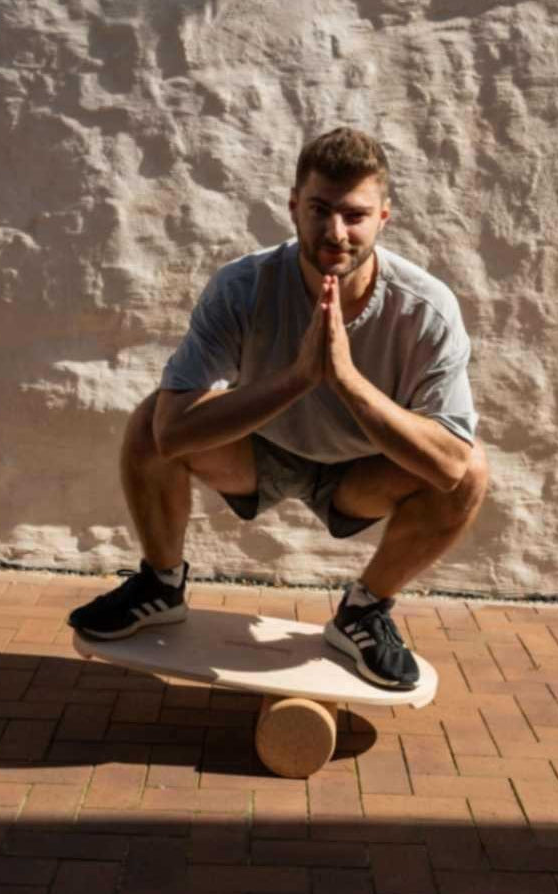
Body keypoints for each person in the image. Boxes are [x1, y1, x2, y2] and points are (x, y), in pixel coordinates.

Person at [67, 126, 488, 690]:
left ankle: (364, 612)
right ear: (293, 208)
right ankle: (161, 586)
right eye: (320, 209)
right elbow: (170, 433)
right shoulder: (243, 286)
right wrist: (297, 379)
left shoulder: (426, 310)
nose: (336, 231)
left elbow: (448, 466)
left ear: (384, 218)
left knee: (471, 472)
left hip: (362, 471)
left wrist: (343, 379)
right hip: (261, 453)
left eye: (355, 215)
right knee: (150, 419)